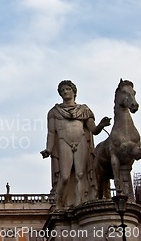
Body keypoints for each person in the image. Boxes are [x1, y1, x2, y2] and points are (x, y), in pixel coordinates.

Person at [41, 80, 110, 208]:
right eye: (62, 91)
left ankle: (80, 204)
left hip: (81, 141)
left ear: (73, 91)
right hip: (63, 142)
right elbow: (51, 133)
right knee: (65, 176)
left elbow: (93, 130)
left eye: (67, 89)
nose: (65, 92)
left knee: (80, 175)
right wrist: (48, 149)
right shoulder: (54, 112)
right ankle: (59, 204)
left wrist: (101, 124)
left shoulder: (84, 110)